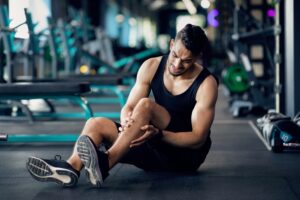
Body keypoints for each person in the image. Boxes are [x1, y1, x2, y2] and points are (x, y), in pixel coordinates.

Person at [26, 24, 219, 188]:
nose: (177, 64)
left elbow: (198, 139)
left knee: (146, 105)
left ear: (197, 58)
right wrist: (128, 121)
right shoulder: (151, 66)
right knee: (95, 123)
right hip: (153, 147)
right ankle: (70, 168)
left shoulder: (206, 84)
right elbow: (129, 107)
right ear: (171, 45)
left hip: (184, 158)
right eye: (175, 55)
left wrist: (159, 134)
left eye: (186, 61)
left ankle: (106, 162)